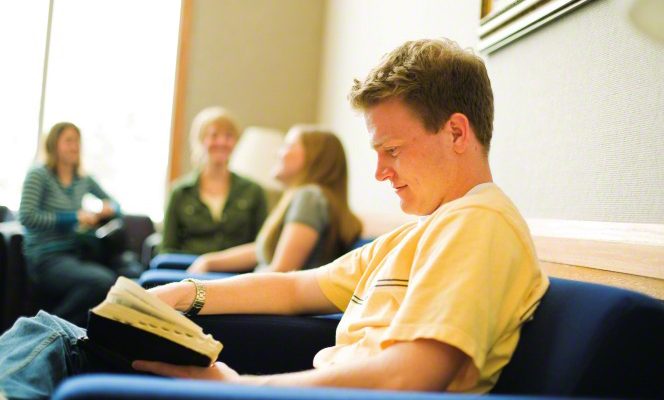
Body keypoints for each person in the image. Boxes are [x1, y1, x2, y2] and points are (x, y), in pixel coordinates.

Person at [0, 38, 549, 398]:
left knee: (50, 347)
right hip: (279, 386)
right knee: (48, 334)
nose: (380, 172)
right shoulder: (421, 232)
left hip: (275, 393)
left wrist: (243, 387)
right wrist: (183, 294)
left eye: (393, 150)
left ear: (456, 132)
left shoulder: (481, 225)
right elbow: (293, 288)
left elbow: (414, 374)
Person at [186, 124, 363, 275]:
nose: (277, 153)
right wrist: (210, 261)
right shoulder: (304, 196)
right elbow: (262, 250)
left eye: (287, 145)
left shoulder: (309, 198)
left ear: (312, 157)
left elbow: (281, 272)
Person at [17, 122, 132, 327]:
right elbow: (27, 217)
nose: (75, 147)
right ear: (54, 145)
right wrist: (74, 217)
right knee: (101, 281)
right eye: (68, 141)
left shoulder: (82, 178)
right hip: (46, 257)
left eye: (77, 141)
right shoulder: (39, 175)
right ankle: (45, 328)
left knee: (126, 274)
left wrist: (108, 209)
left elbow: (117, 206)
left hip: (74, 252)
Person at [159, 106, 268, 256]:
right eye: (214, 135)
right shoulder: (180, 192)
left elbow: (262, 247)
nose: (221, 142)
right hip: (187, 273)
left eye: (228, 136)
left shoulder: (253, 191)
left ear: (235, 142)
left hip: (236, 276)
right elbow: (167, 249)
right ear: (201, 140)